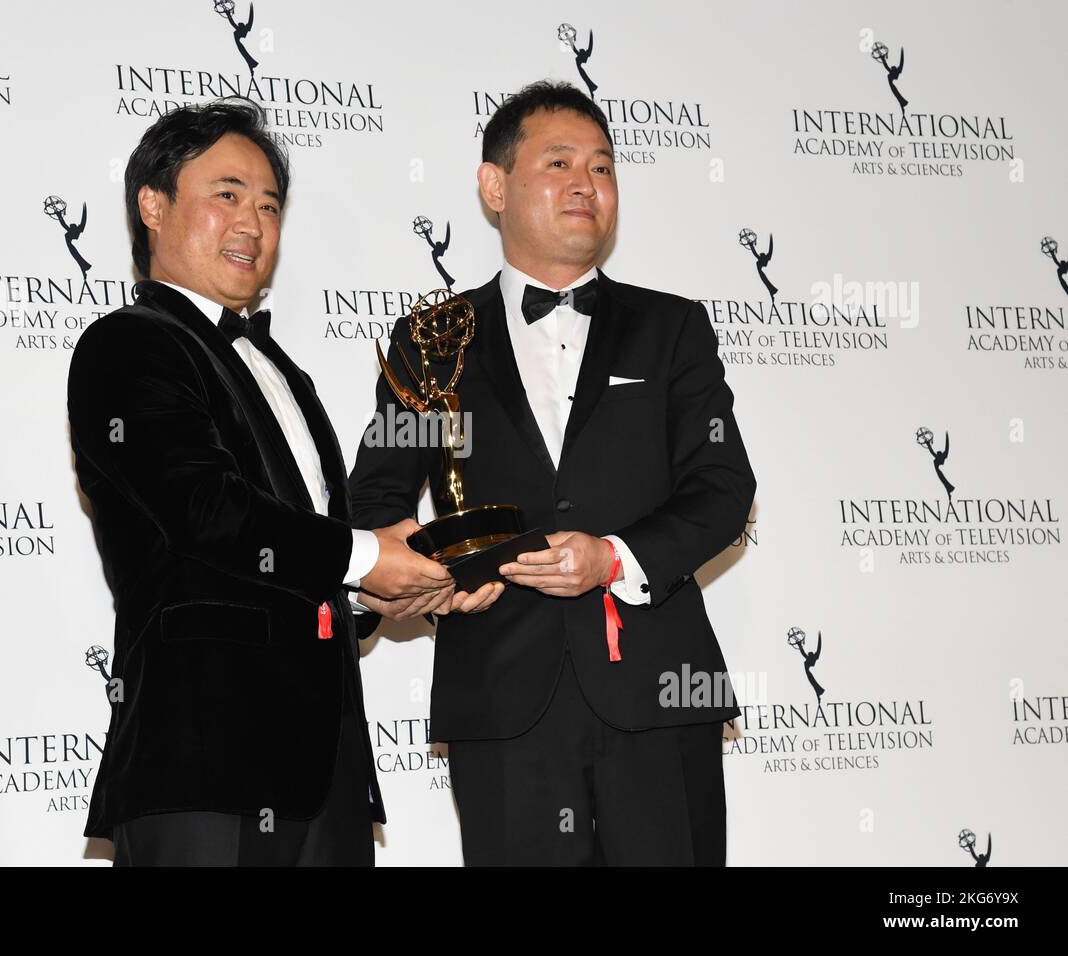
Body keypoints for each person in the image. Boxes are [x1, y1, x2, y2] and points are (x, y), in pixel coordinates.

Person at [349, 81, 756, 866]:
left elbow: (722, 486)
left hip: (661, 692)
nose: (586, 183)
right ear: (494, 186)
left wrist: (613, 557)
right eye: (559, 161)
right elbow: (377, 501)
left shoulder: (672, 328)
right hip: (501, 697)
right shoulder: (434, 338)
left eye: (602, 167)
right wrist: (426, 578)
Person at [68, 99, 452, 866]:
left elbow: (297, 553)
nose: (252, 222)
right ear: (152, 204)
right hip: (205, 761)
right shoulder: (128, 345)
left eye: (269, 205)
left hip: (330, 769)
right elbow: (205, 511)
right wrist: (367, 557)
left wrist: (369, 594)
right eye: (227, 194)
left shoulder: (284, 371)